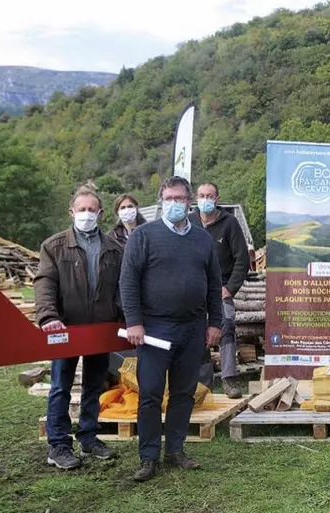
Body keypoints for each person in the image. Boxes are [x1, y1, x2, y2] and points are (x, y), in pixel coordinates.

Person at [119, 176, 223, 482]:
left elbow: (214, 284)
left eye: (180, 199)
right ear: (161, 201)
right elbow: (128, 281)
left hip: (192, 328)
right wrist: (134, 321)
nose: (175, 204)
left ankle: (175, 450)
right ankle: (148, 456)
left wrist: (215, 322)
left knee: (183, 392)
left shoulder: (202, 239)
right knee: (150, 393)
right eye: (169, 199)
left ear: (189, 202)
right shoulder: (143, 236)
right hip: (154, 329)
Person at [35, 186, 124, 469]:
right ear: (72, 212)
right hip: (66, 328)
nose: (86, 214)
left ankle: (88, 436)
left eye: (92, 210)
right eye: (81, 209)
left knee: (95, 384)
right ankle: (58, 445)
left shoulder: (114, 248)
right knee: (60, 386)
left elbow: (121, 287)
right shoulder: (54, 246)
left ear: (99, 213)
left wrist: (120, 317)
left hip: (100, 329)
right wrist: (49, 316)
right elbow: (45, 283)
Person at [189, 182, 250, 399]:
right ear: (196, 198)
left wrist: (230, 288)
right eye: (202, 195)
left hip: (220, 289)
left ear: (217, 198)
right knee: (194, 331)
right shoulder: (188, 222)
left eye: (210, 195)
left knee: (227, 326)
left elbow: (242, 260)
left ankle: (229, 378)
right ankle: (200, 382)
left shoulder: (229, 223)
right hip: (193, 290)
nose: (206, 199)